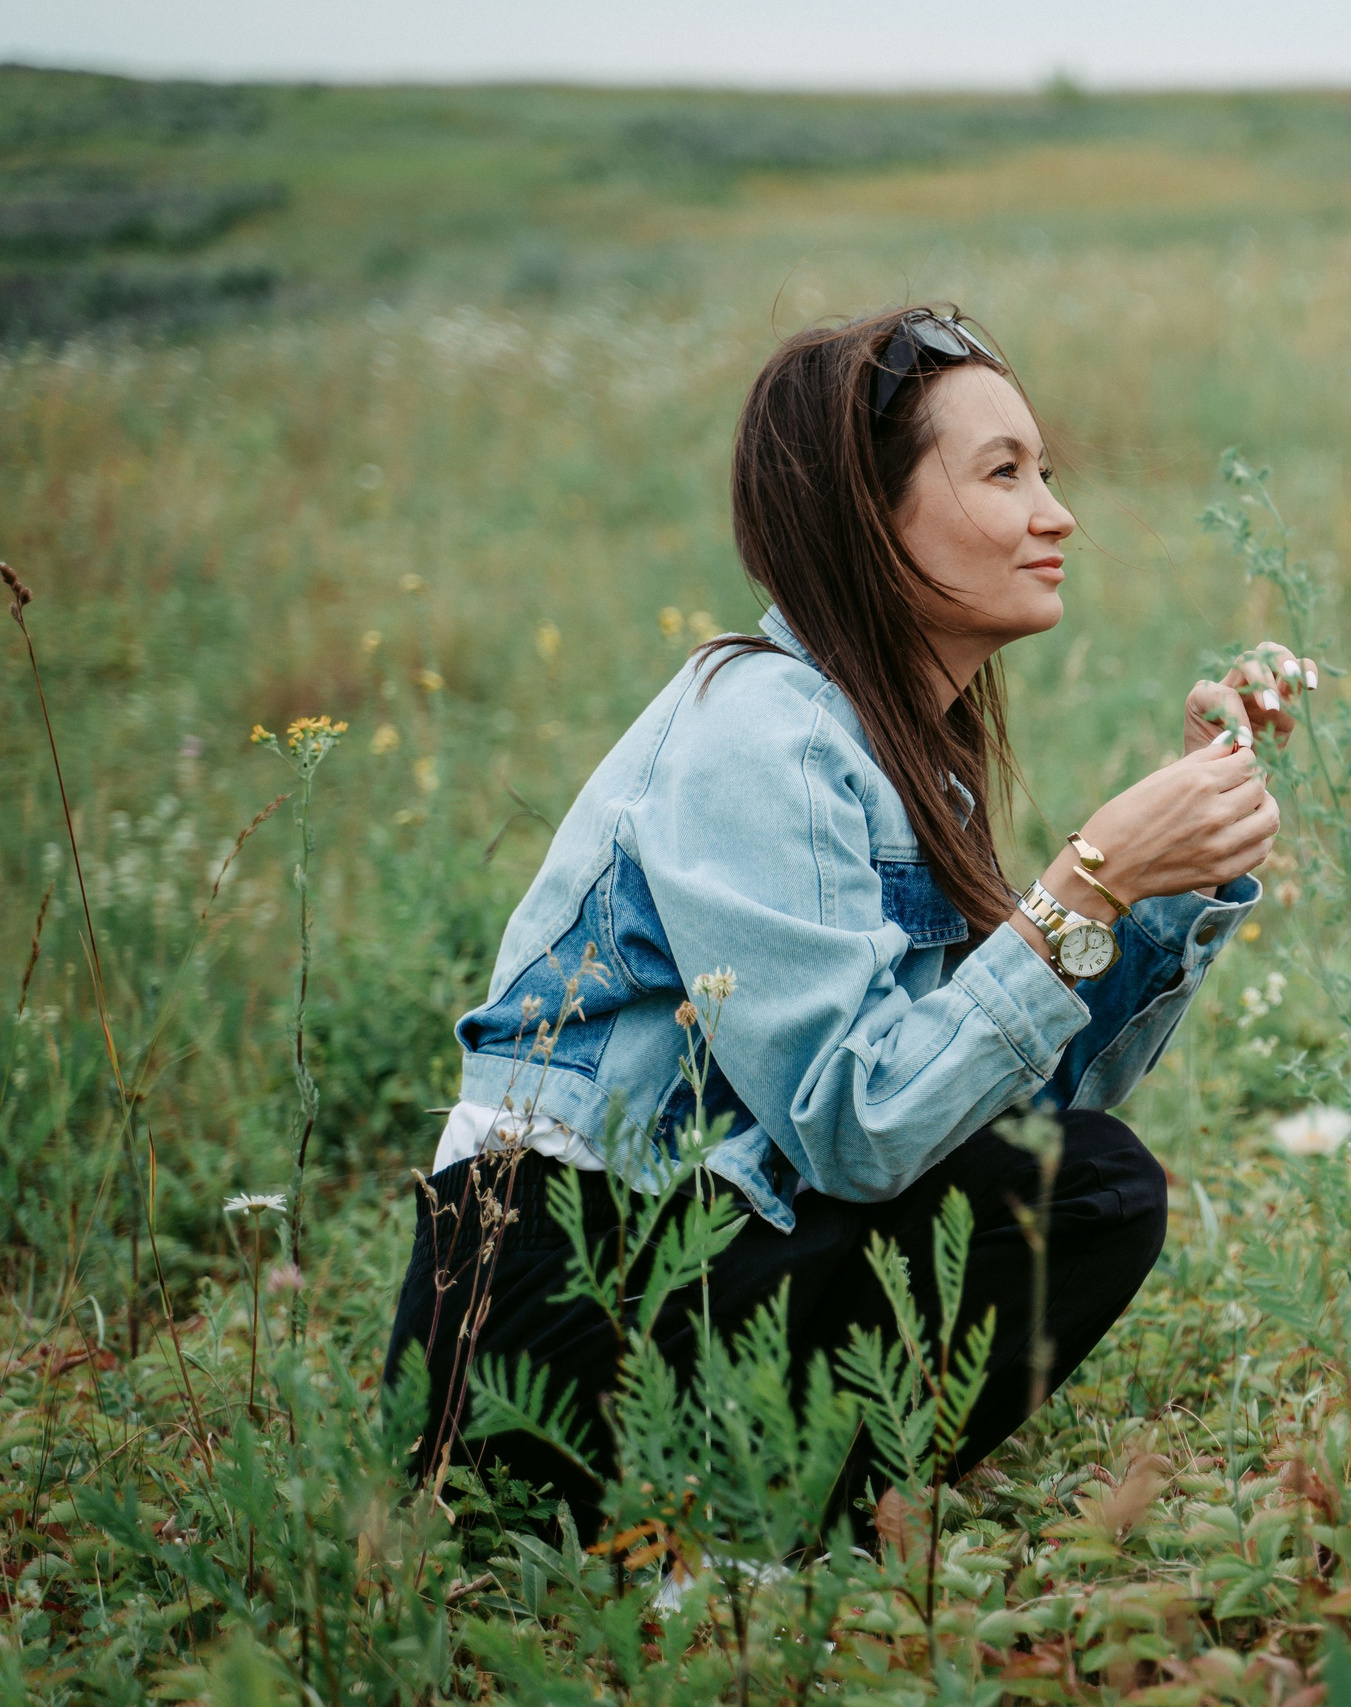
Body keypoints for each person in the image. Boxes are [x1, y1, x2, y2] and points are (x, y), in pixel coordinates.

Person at [381, 304, 1303, 1542]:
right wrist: (1086, 878)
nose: (1056, 512)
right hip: (543, 1315)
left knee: (1071, 1182)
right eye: (1003, 473)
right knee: (1084, 1191)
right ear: (870, 519)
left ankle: (742, 1519)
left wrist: (1163, 886)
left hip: (683, 1254)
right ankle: (721, 1531)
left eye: (1046, 471)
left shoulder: (892, 748)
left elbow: (995, 1105)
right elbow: (860, 1129)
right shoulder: (764, 732)